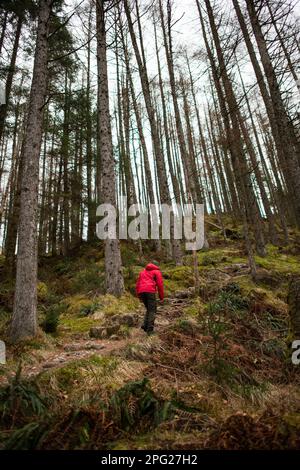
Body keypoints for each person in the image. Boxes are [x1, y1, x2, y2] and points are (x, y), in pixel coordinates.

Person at [136, 261, 164, 335]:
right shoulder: (156, 271)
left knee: (149, 309)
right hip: (150, 291)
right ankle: (150, 330)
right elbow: (160, 284)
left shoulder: (142, 272)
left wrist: (139, 295)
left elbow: (138, 284)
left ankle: (145, 325)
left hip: (141, 292)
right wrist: (161, 297)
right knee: (152, 310)